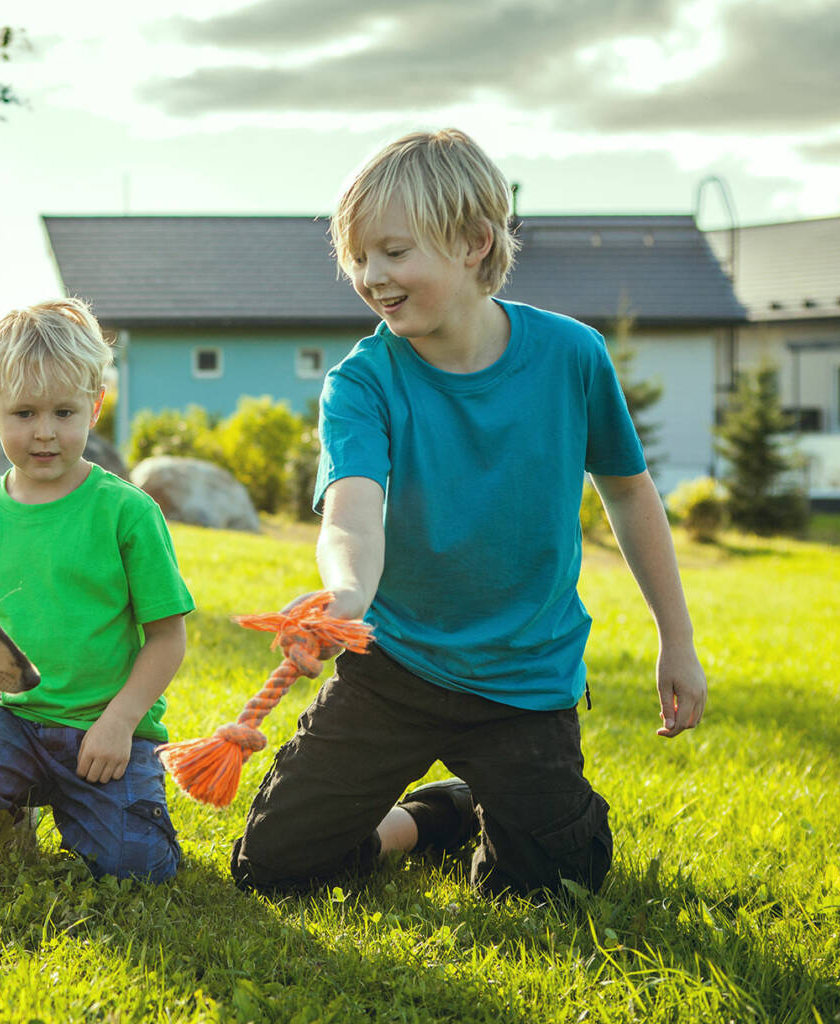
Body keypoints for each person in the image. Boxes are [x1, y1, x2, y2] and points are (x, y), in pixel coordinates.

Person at [229, 129, 708, 900]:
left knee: (559, 889)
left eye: (392, 252)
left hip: (524, 680)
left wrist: (675, 640)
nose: (370, 277)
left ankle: (511, 812)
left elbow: (628, 489)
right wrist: (346, 597)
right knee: (274, 868)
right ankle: (436, 818)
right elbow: (353, 512)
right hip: (393, 667)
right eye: (358, 258)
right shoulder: (362, 383)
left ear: (473, 243)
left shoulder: (572, 356)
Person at [0, 298, 194, 883]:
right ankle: (9, 804)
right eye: (24, 413)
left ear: (96, 405)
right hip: (11, 720)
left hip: (105, 730)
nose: (44, 433)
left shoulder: (126, 512)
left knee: (139, 869)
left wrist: (119, 722)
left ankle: (87, 804)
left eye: (65, 412)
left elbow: (167, 638)